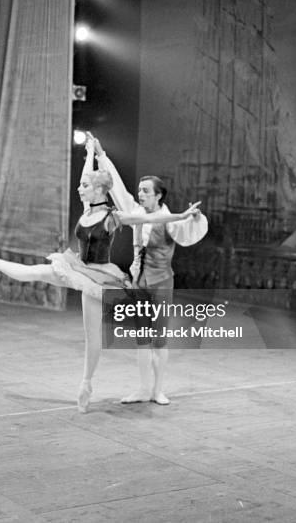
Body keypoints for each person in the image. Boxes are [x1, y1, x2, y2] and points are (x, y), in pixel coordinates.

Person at [0, 138, 201, 412]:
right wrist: (90, 152)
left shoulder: (114, 217)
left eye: (85, 186)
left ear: (100, 190)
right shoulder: (87, 210)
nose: (80, 189)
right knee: (37, 272)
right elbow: (86, 176)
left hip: (99, 278)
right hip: (77, 266)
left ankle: (87, 383)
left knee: (94, 338)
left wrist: (181, 216)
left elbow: (150, 220)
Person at [91, 133, 208, 405]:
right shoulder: (136, 213)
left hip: (161, 284)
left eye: (146, 191)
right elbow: (117, 188)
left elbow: (189, 232)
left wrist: (196, 217)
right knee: (141, 338)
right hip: (139, 283)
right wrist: (101, 155)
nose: (140, 194)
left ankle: (158, 390)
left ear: (158, 196)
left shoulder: (169, 220)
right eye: (140, 190)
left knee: (159, 340)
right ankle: (143, 390)